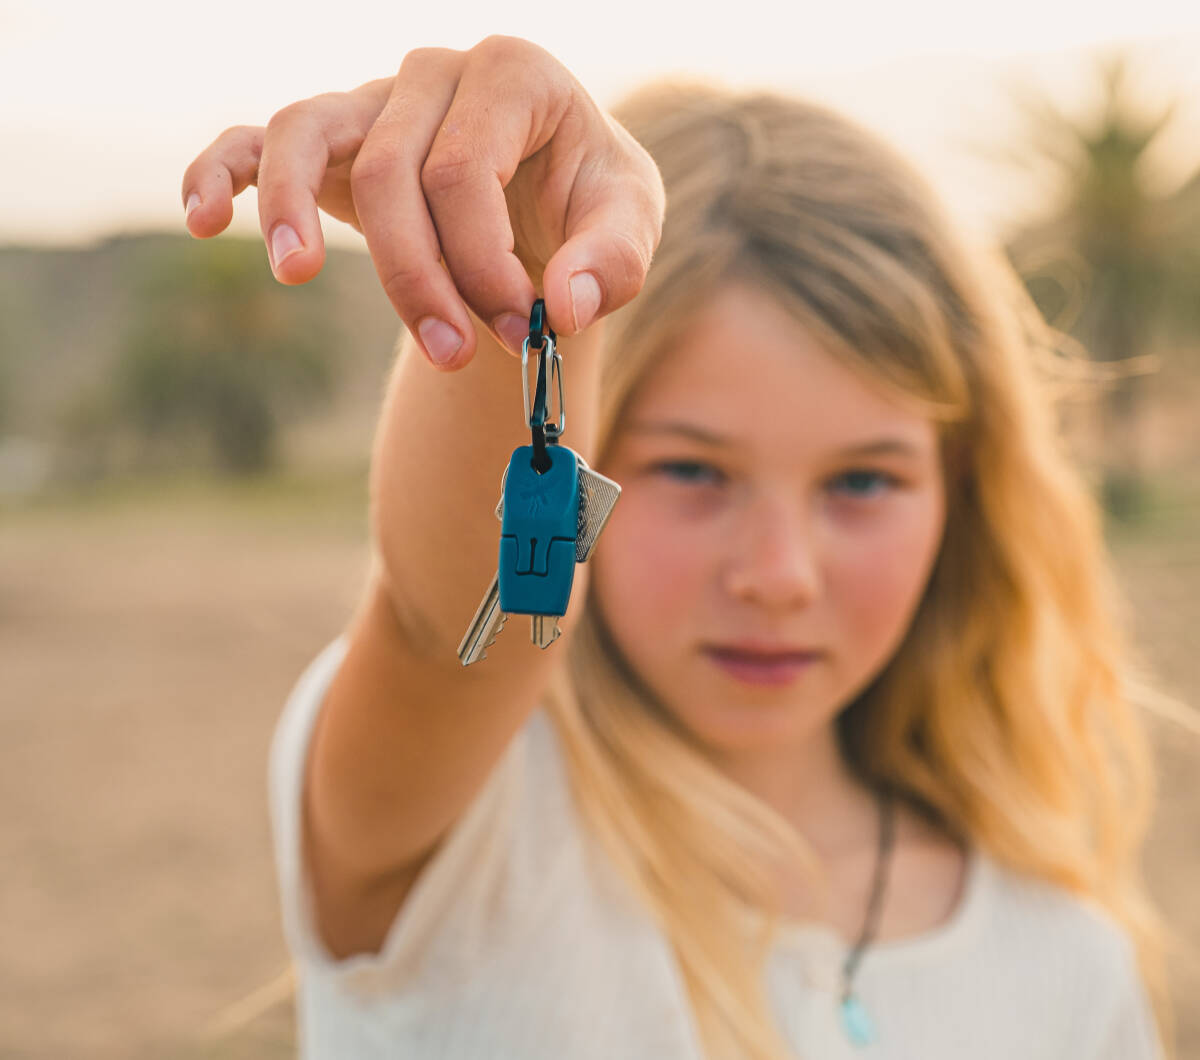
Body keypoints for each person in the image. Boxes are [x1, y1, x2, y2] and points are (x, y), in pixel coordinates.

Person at [182, 36, 1169, 1060]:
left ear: (961, 493)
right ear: (595, 447)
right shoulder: (471, 831)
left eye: (862, 481)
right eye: (693, 471)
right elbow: (450, 627)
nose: (778, 576)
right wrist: (522, 273)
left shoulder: (1070, 963)